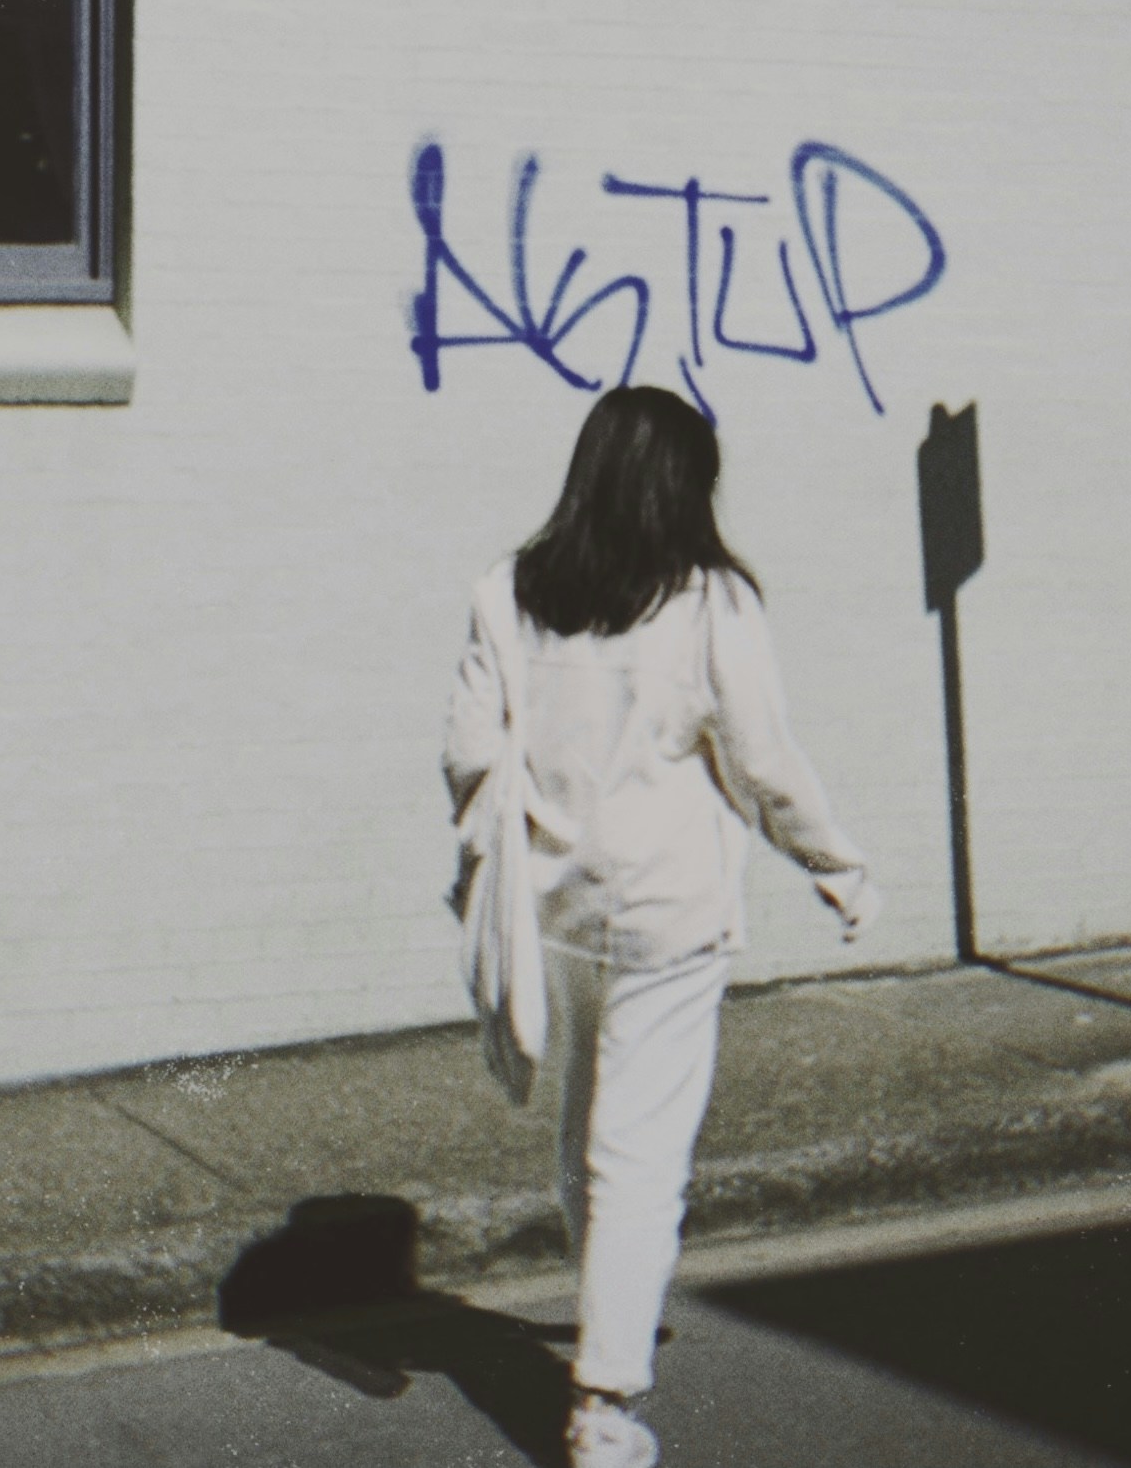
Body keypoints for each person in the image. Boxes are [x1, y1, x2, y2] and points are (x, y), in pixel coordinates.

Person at [443, 384, 873, 1468]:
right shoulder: (708, 602)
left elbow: (465, 753)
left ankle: (605, 1330)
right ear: (684, 485)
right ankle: (602, 1400)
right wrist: (836, 864)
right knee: (639, 1154)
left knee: (587, 1133)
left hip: (559, 906)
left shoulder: (508, 591)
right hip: (669, 910)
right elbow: (763, 763)